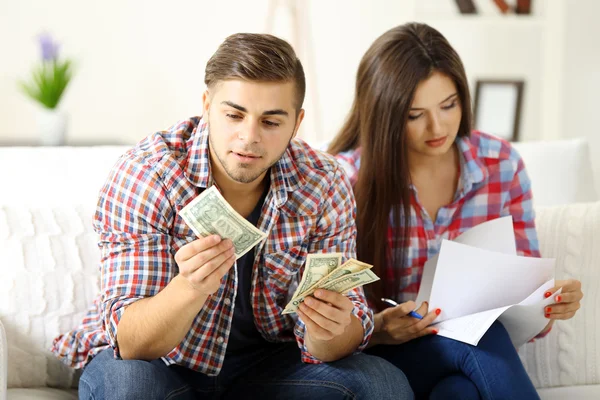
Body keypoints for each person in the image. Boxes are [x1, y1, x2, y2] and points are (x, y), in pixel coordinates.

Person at [51, 33, 413, 400]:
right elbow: (132, 343)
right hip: (162, 366)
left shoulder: (321, 182)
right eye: (234, 115)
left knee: (382, 385)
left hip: (270, 367)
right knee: (129, 388)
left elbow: (335, 344)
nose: (248, 137)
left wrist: (328, 331)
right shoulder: (150, 173)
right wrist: (188, 288)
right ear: (207, 105)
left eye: (271, 122)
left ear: (297, 122)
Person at [328, 23, 584, 400]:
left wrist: (547, 302)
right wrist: (382, 328)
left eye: (449, 105)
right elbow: (330, 316)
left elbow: (525, 287)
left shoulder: (500, 164)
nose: (438, 126)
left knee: (459, 392)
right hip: (387, 359)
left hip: (474, 358)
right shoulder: (347, 179)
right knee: (482, 339)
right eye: (415, 115)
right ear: (385, 115)